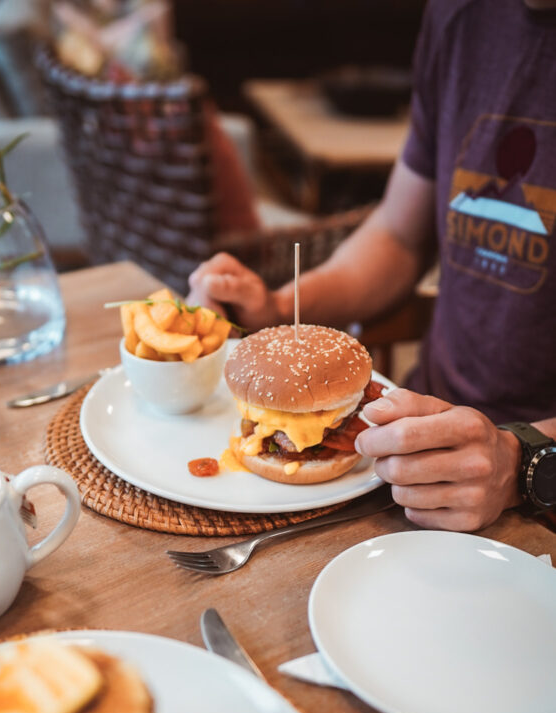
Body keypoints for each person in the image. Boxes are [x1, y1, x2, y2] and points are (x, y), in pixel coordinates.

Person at [187, 0, 556, 532]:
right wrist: (278, 306)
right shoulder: (458, 15)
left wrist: (522, 459)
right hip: (394, 453)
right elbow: (399, 236)